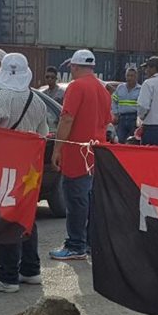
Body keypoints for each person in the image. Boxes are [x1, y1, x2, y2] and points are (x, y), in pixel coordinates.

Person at [0, 53, 50, 292]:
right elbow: (42, 135)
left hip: (3, 166)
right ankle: (30, 269)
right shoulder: (37, 100)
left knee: (6, 217)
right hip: (28, 169)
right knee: (26, 216)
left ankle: (7, 277)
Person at [50, 50, 111, 261]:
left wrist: (57, 149)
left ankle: (75, 245)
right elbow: (107, 121)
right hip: (97, 152)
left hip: (77, 153)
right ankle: (89, 243)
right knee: (90, 200)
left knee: (76, 200)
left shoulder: (76, 87)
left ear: (75, 66)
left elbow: (67, 119)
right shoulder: (103, 89)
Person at [111, 64, 142, 144]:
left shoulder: (140, 89)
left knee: (133, 141)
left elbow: (142, 105)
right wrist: (115, 114)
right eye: (128, 75)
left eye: (132, 76)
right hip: (122, 118)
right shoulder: (120, 88)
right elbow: (114, 101)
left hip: (134, 118)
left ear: (136, 77)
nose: (129, 78)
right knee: (119, 140)